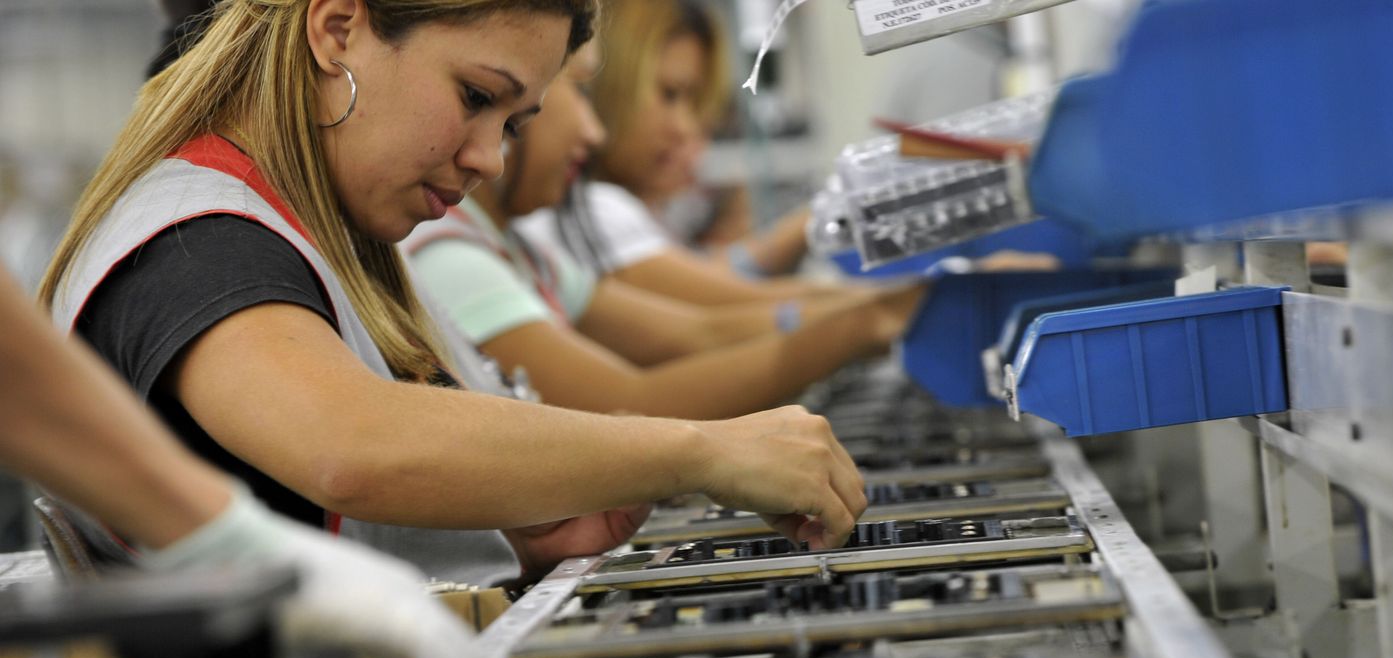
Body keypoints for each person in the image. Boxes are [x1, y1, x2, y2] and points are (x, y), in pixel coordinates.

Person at [37, 0, 866, 589]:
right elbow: (351, 446)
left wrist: (516, 530)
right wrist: (702, 452)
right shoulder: (194, 239)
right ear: (337, 30)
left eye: (512, 122)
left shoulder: (325, 238)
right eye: (476, 98)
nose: (490, 158)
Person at [0, 264, 503, 658]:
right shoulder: (202, 255)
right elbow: (346, 456)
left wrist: (221, 539)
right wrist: (230, 542)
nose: (488, 162)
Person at [405, 43, 925, 419]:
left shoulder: (521, 247)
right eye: (580, 95)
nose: (594, 130)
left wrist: (875, 310)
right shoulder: (448, 255)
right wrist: (867, 320)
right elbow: (634, 402)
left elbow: (700, 331)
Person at [522, 0, 840, 306]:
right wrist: (826, 212)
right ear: (609, 84)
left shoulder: (618, 209)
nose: (685, 127)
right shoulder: (595, 210)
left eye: (693, 101)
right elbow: (722, 300)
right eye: (669, 95)